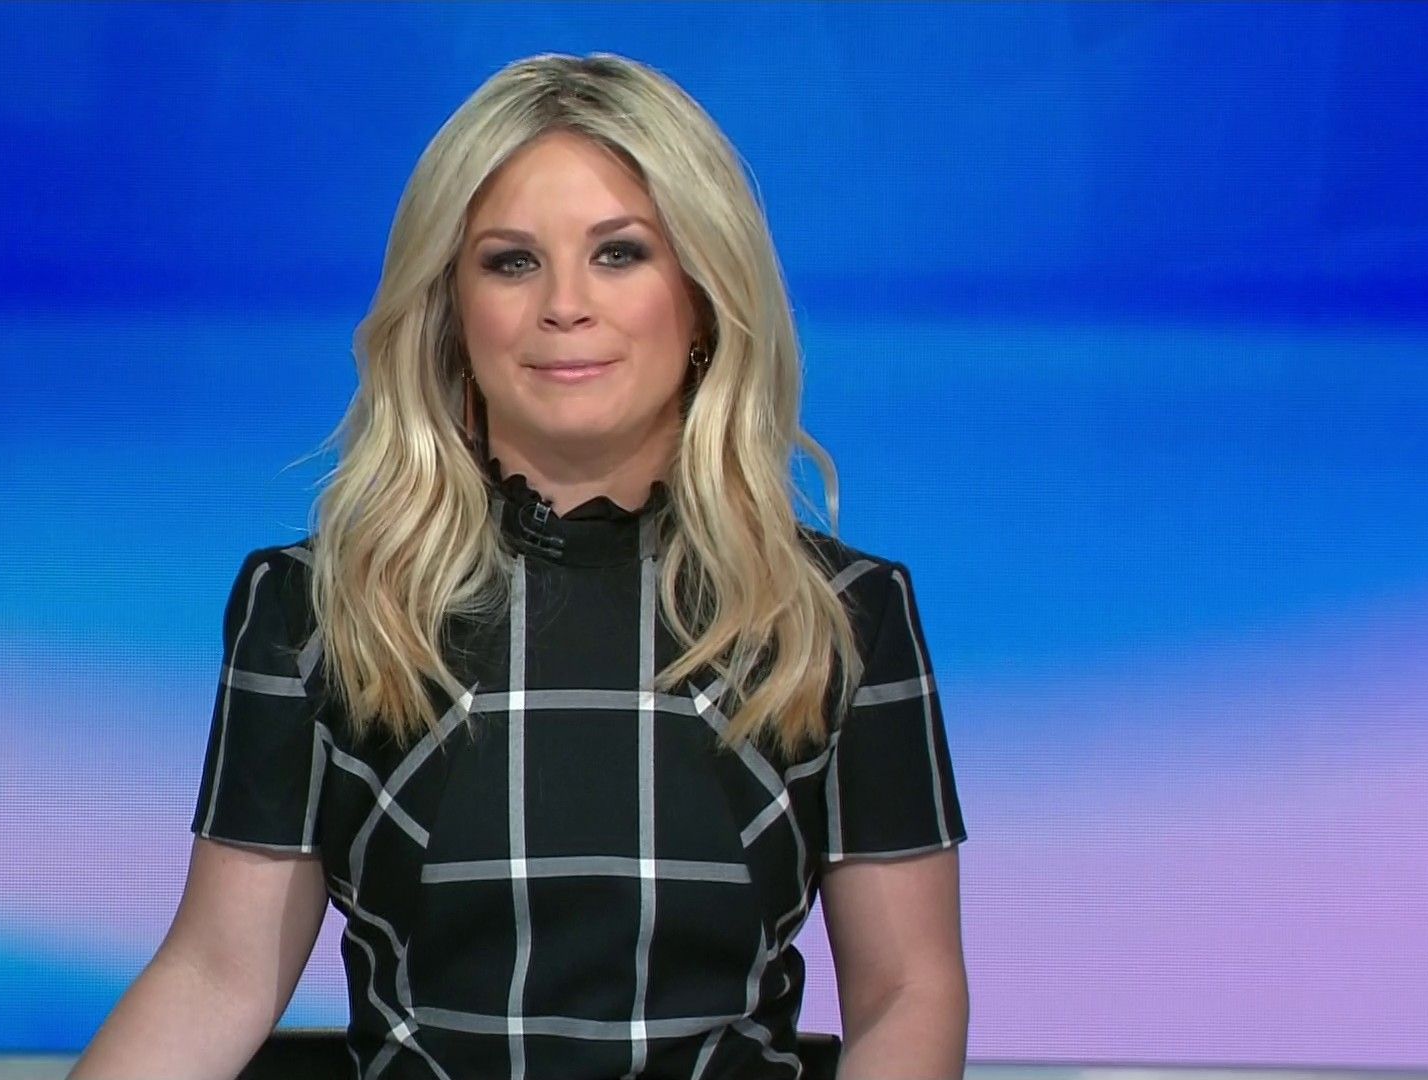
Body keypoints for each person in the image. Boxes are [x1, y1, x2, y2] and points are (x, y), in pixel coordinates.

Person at [70, 51, 968, 1080]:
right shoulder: (316, 610)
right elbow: (217, 977)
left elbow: (908, 994)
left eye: (620, 253)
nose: (564, 305)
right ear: (451, 310)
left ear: (704, 295)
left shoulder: (842, 617)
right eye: (511, 262)